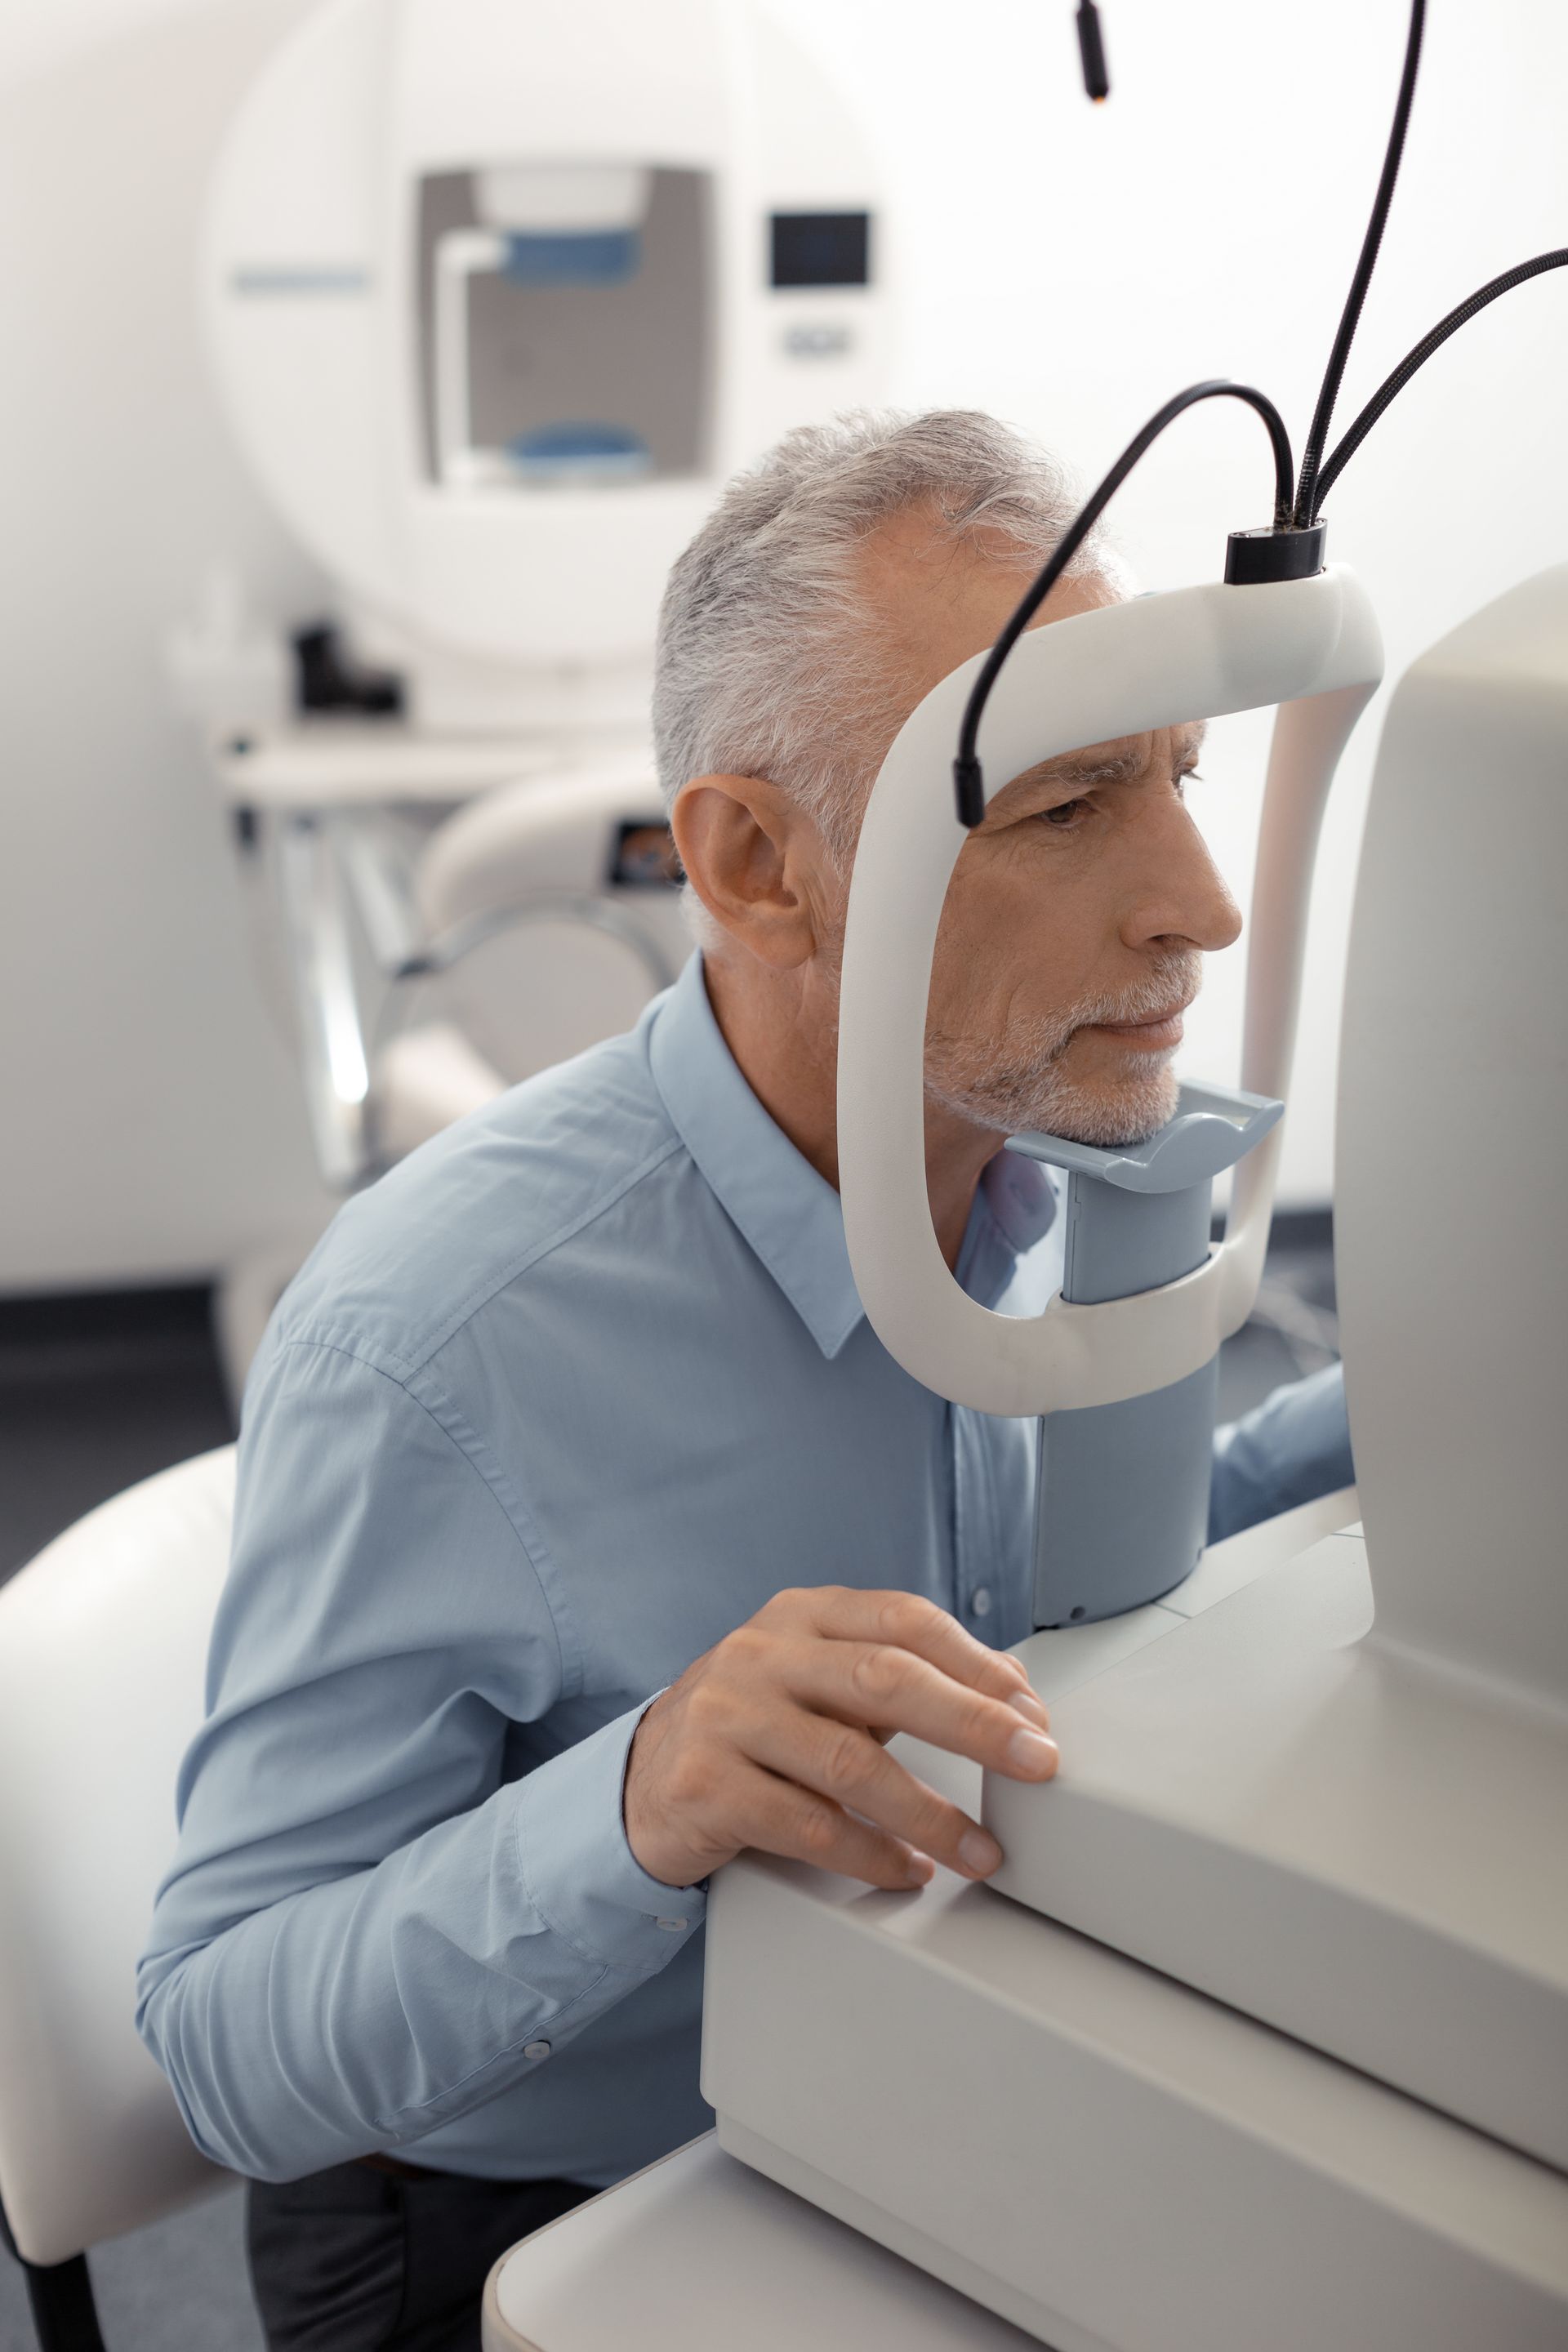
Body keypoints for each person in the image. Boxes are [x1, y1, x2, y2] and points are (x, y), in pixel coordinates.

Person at [137, 410, 1353, 2349]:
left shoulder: (1039, 1160)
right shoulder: (438, 1342)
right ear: (760, 865)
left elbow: (1070, 1608)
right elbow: (223, 2056)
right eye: (1061, 808)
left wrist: (1426, 1405)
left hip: (922, 2077)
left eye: (1182, 778)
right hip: (542, 2211)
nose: (1197, 904)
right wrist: (640, 1799)